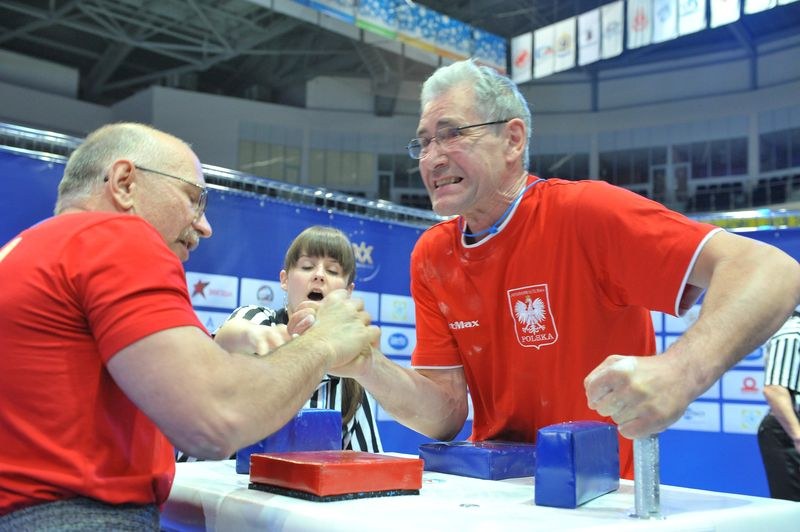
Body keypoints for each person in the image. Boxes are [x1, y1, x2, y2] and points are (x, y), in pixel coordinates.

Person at [329, 59, 800, 479]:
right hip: (498, 498)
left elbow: (773, 269)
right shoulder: (432, 255)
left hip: (601, 500)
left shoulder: (584, 212)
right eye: (424, 142)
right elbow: (446, 414)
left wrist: (681, 371)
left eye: (452, 134)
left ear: (512, 139)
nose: (432, 157)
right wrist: (369, 367)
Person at [0, 123, 378, 529]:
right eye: (194, 200)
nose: (204, 225)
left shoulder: (29, 250)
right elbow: (215, 421)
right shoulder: (114, 237)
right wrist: (323, 343)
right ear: (125, 182)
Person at [177, 225, 382, 460]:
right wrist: (255, 337)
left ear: (348, 291)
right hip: (207, 488)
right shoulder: (258, 320)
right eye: (307, 266)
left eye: (333, 271)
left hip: (294, 495)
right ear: (284, 280)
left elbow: (366, 462)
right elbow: (225, 341)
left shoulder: (351, 373)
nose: (319, 275)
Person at [758, 309, 800, 501]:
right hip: (787, 432)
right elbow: (774, 390)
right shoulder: (792, 333)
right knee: (794, 509)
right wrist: (797, 436)